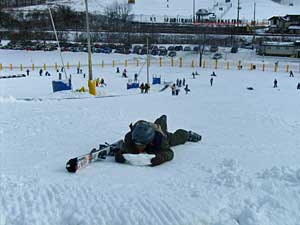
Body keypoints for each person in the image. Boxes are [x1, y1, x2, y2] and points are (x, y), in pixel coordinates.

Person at [114, 115, 202, 166]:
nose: (139, 147)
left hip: (160, 133)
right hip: (148, 128)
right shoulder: (131, 137)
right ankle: (160, 120)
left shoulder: (160, 140)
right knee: (157, 124)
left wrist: (161, 158)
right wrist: (121, 154)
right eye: (137, 144)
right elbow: (128, 148)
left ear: (149, 141)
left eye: (142, 145)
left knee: (175, 138)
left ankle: (187, 134)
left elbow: (169, 153)